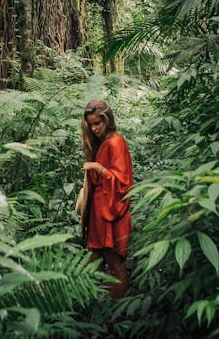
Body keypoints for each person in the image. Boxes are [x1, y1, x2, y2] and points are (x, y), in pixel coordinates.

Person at [81, 99, 133, 301]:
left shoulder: (115, 142)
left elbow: (123, 183)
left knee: (114, 266)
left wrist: (98, 169)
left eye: (97, 123)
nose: (94, 129)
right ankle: (97, 316)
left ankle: (116, 320)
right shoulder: (102, 142)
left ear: (107, 119)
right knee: (93, 264)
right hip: (98, 212)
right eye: (91, 124)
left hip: (112, 212)